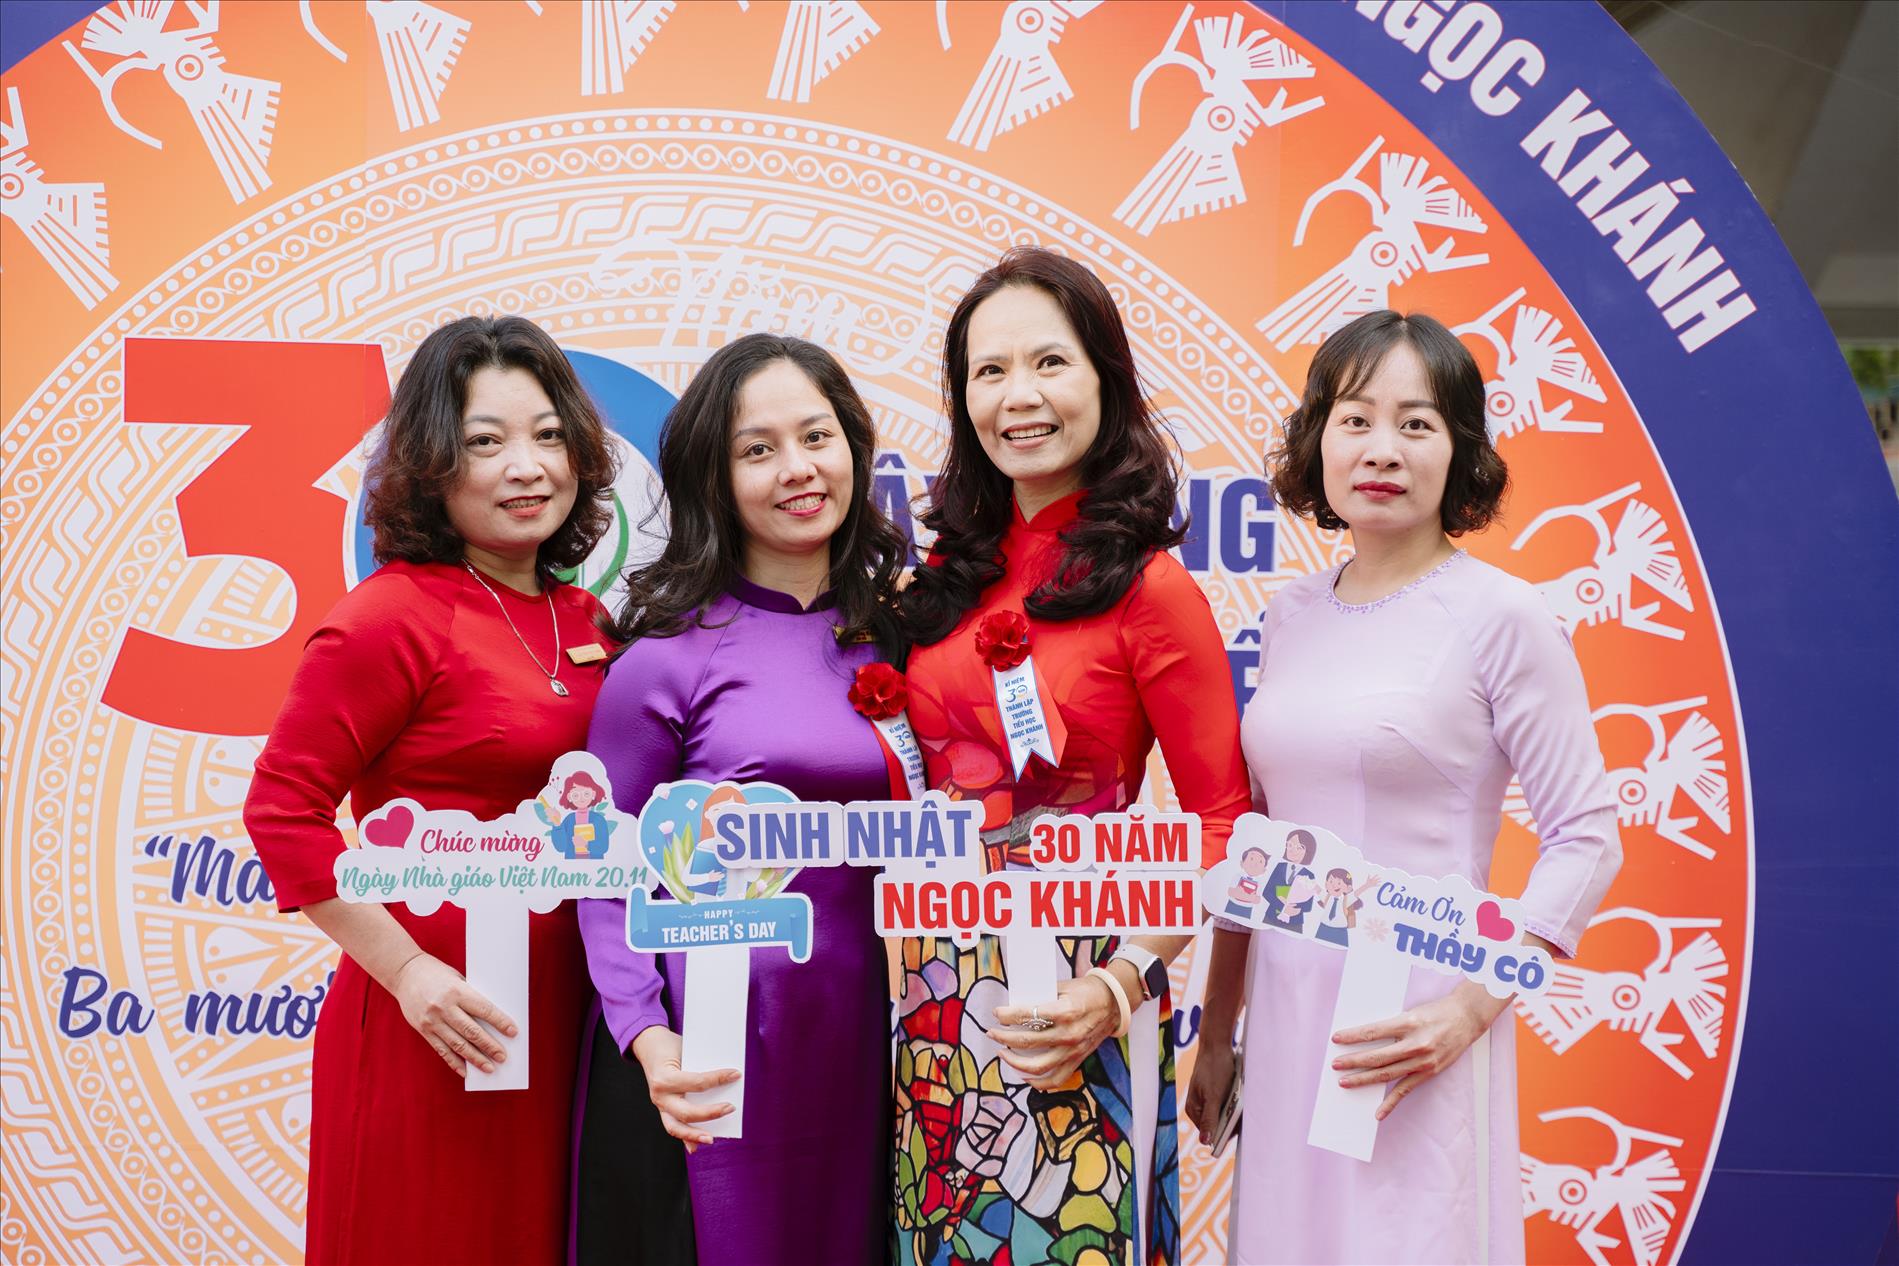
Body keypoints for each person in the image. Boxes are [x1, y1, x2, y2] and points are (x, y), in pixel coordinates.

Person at [1185, 310, 1622, 1264]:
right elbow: (1259, 843)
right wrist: (1217, 1031)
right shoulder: (1289, 615)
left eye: (1416, 424)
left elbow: (1587, 836)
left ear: (1459, 451)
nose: (1381, 448)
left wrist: (1468, 1009)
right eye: (1354, 420)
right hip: (1288, 1013)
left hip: (1414, 1022)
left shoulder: (1501, 615)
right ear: (1317, 441)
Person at [894, 246, 1250, 1266]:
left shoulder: (1149, 587)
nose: (1019, 396)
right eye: (989, 372)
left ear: (1105, 379)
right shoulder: (943, 579)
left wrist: (1123, 984)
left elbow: (1224, 821)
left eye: (1049, 362)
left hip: (1081, 989)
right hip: (934, 993)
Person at [243, 315, 622, 1265]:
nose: (526, 467)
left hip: (567, 1015)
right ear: (433, 463)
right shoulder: (388, 618)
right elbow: (282, 811)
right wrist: (410, 973)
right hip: (436, 1019)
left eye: (547, 436)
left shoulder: (586, 618)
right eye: (485, 442)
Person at [573, 333, 908, 1265]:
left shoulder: (904, 639)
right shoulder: (666, 657)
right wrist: (647, 1037)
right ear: (714, 481)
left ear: (853, 448)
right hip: (709, 1050)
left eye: (816, 436)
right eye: (758, 450)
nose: (797, 469)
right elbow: (603, 866)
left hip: (868, 1040)